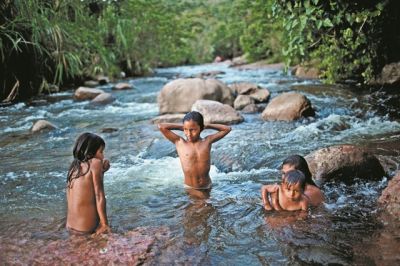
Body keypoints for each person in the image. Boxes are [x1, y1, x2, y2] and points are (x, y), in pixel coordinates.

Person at [158, 111, 231, 199]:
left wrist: (208, 125)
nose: (188, 134)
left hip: (207, 186)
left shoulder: (207, 141)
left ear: (201, 128)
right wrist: (184, 127)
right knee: (201, 208)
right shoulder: (180, 142)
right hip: (191, 188)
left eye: (193, 130)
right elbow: (161, 126)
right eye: (186, 130)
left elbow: (227, 129)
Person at [66, 132, 110, 235]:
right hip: (85, 227)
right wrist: (104, 224)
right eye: (101, 152)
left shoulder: (74, 167)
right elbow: (99, 195)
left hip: (70, 226)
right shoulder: (96, 163)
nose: (103, 156)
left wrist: (102, 172)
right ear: (90, 153)